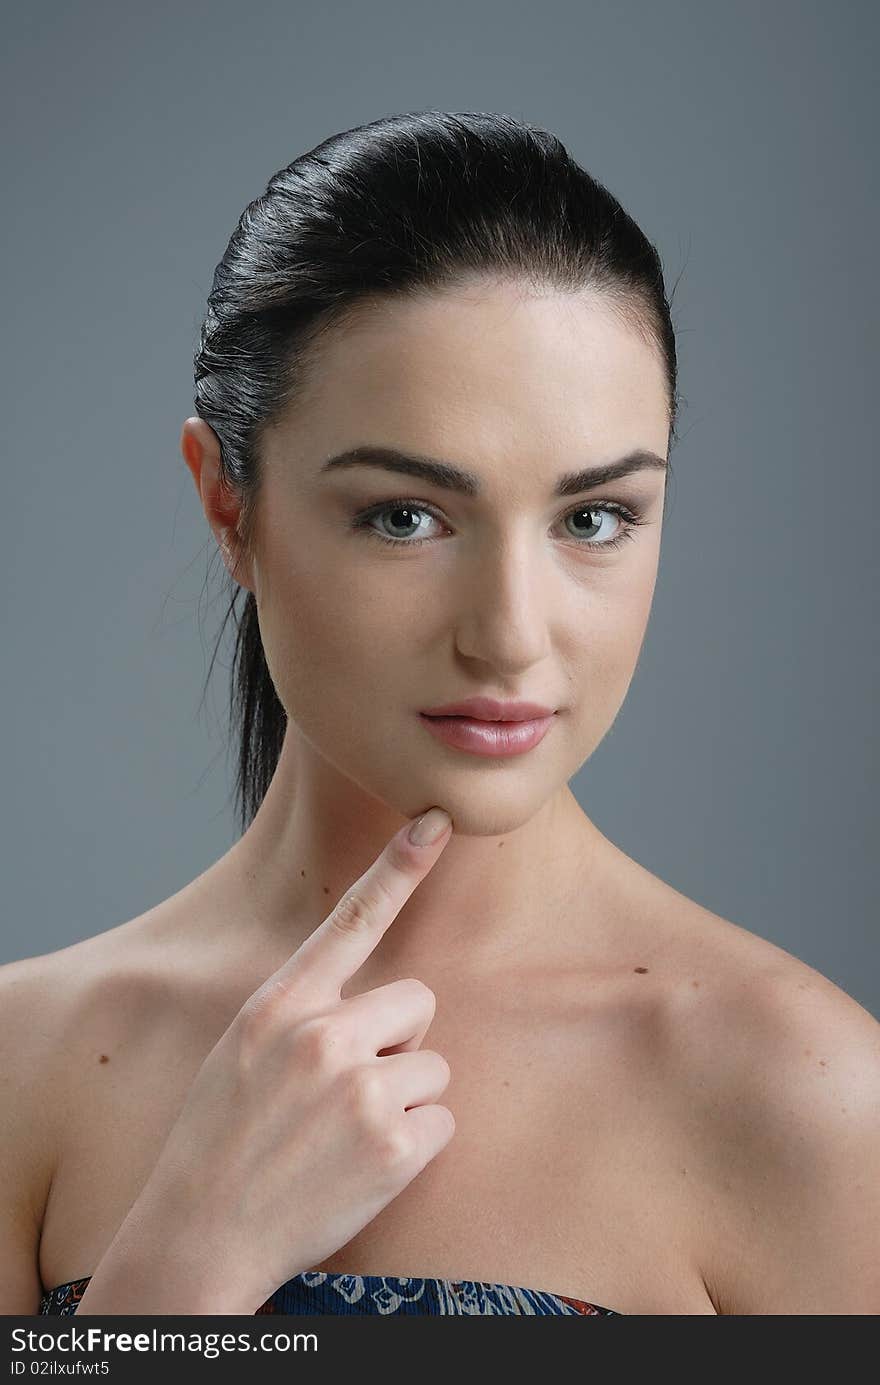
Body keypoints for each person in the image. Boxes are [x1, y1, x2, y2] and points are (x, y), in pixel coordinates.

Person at [3, 110, 878, 1319]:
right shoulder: (22, 1068)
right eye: (406, 515)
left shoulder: (801, 1092)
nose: (510, 632)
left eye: (594, 518)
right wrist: (186, 1257)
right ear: (227, 504)